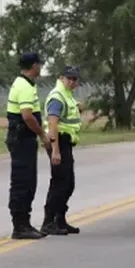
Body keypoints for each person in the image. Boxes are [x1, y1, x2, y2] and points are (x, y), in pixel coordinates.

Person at [5, 52, 50, 240]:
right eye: (39, 64)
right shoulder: (24, 86)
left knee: (28, 181)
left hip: (24, 139)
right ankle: (20, 226)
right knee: (23, 182)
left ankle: (25, 223)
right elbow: (27, 116)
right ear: (34, 66)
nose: (41, 67)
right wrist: (42, 134)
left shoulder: (27, 84)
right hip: (22, 139)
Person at [41, 65, 83, 235]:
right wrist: (55, 150)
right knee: (60, 183)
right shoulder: (57, 96)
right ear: (61, 78)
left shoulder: (67, 95)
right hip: (58, 142)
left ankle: (60, 219)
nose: (71, 82)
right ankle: (48, 222)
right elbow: (53, 124)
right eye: (69, 78)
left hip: (66, 143)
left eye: (74, 79)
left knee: (68, 184)